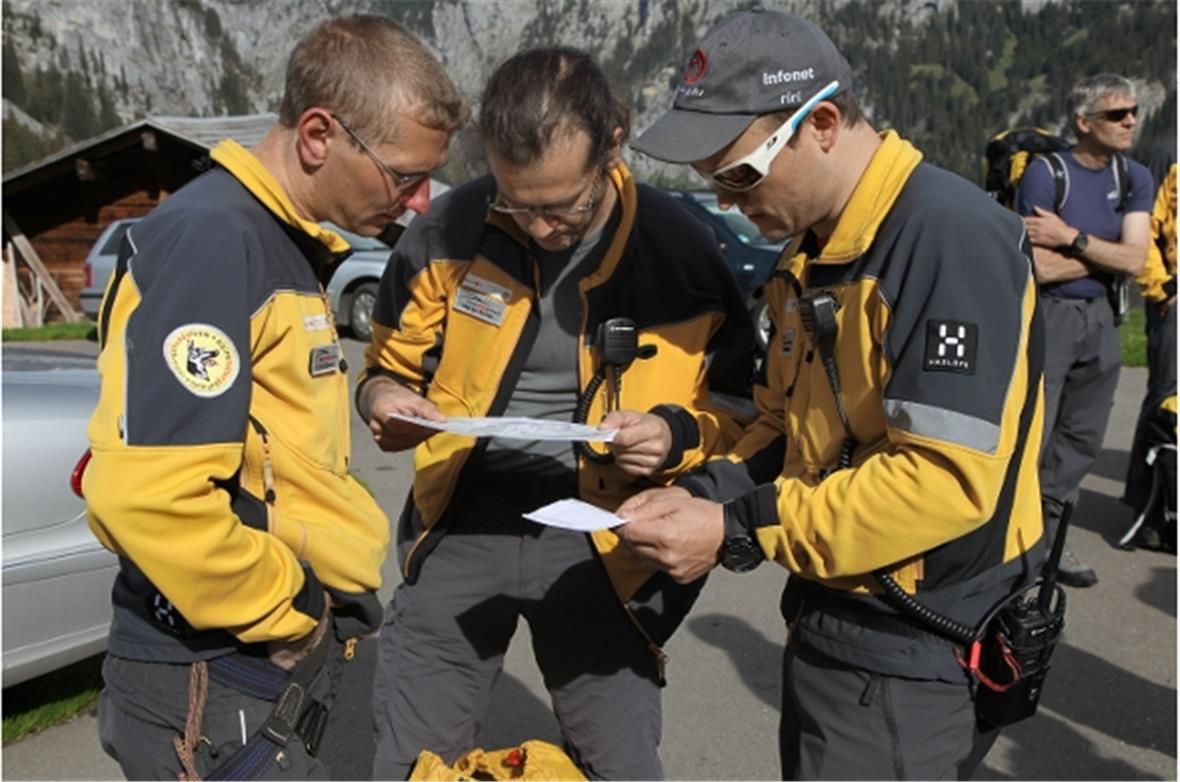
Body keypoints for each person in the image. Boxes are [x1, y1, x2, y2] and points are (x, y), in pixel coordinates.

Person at [617, 8, 1046, 779]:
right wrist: (701, 495)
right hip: (836, 611)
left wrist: (735, 527)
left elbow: (942, 483)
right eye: (710, 179)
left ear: (821, 124)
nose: (724, 201)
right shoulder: (811, 251)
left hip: (912, 640)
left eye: (738, 174)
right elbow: (788, 429)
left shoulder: (947, 239)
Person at [82, 16, 467, 780]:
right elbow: (149, 498)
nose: (419, 202)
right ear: (319, 135)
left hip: (245, 660)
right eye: (402, 176)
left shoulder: (274, 238)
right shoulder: (215, 240)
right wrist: (290, 610)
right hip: (218, 665)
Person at [359, 46, 754, 780]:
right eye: (517, 204)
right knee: (412, 759)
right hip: (460, 521)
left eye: (561, 207)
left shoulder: (682, 251)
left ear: (613, 147)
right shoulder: (448, 229)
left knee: (619, 761)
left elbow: (745, 409)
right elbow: (384, 367)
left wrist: (673, 435)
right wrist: (383, 399)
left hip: (604, 540)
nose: (540, 229)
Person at [1016, 73, 1153, 586]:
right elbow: (1040, 267)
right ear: (1084, 122)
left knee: (1082, 436)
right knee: (1035, 431)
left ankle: (1050, 540)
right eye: (1117, 114)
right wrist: (1105, 255)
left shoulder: (1134, 177)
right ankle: (1015, 544)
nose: (1130, 121)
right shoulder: (1045, 175)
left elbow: (1137, 261)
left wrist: (1071, 237)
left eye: (1133, 112)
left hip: (1102, 317)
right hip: (1049, 314)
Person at [1124, 142, 1176, 545]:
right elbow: (1144, 229)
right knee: (1166, 400)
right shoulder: (1169, 155)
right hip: (1174, 300)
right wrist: (1164, 290)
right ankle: (1149, 511)